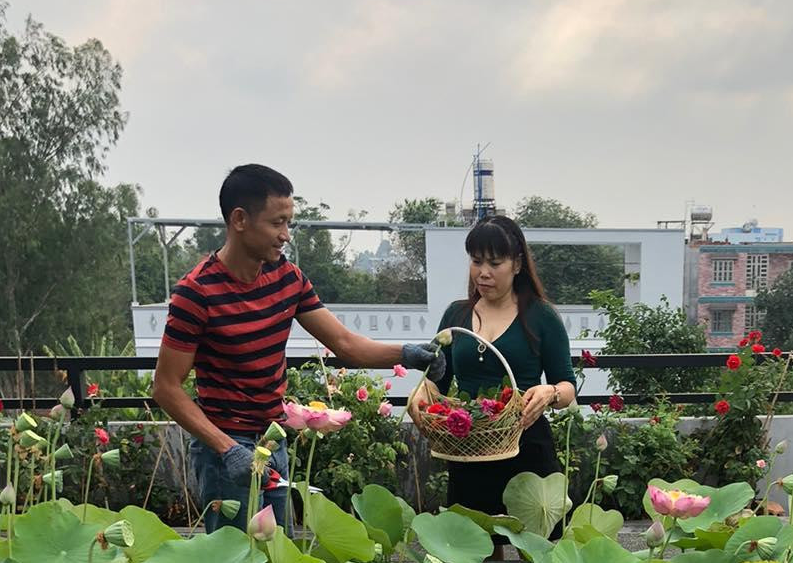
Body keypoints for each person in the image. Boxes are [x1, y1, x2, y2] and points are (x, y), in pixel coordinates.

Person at [152, 163, 440, 531]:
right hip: (227, 456)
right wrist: (227, 449)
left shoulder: (288, 279)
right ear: (239, 219)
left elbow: (345, 344)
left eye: (289, 223)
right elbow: (166, 387)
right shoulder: (197, 293)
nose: (286, 235)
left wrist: (407, 354)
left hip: (273, 442)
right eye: (277, 223)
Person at [407, 215, 577, 515]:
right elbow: (437, 380)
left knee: (535, 550)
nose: (483, 273)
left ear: (517, 265)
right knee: (475, 549)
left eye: (495, 263)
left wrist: (550, 393)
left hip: (527, 445)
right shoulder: (455, 316)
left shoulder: (542, 316)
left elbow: (567, 387)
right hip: (470, 448)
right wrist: (421, 393)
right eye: (476, 261)